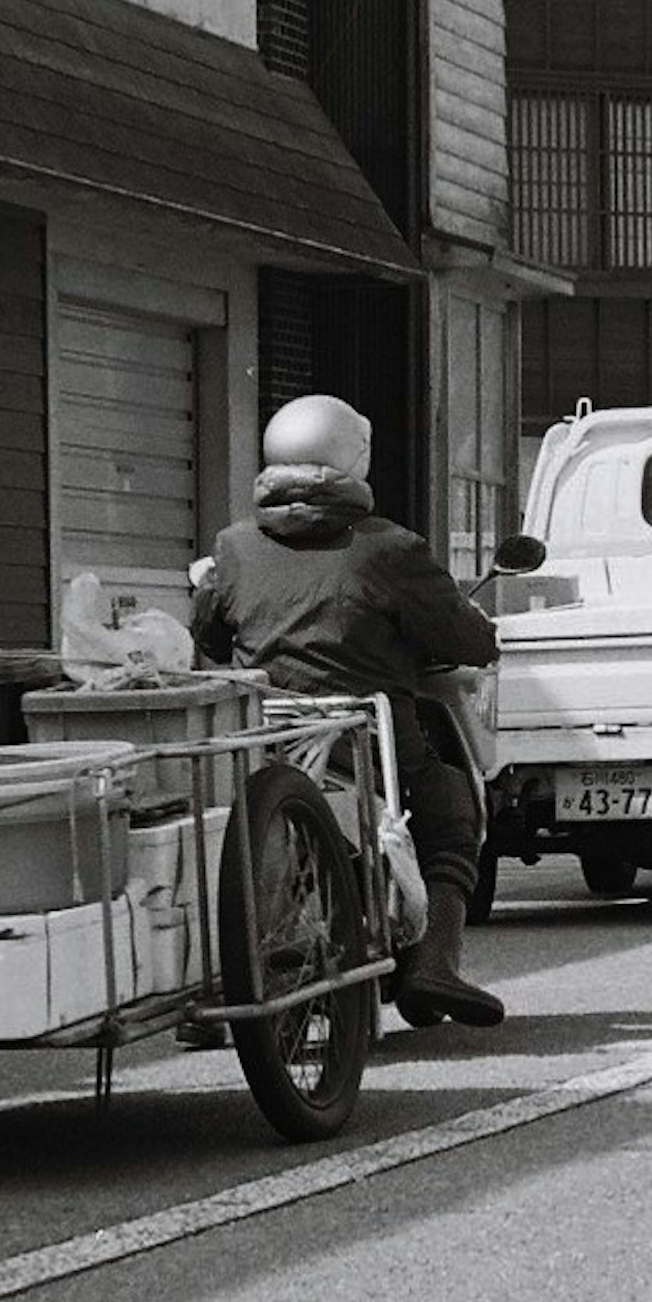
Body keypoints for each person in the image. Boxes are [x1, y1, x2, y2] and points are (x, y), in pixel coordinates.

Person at [191, 393, 506, 1027]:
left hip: (268, 746)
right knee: (450, 806)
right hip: (366, 740)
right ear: (353, 460)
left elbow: (208, 639)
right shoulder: (389, 549)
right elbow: (469, 643)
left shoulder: (232, 548)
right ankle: (434, 964)